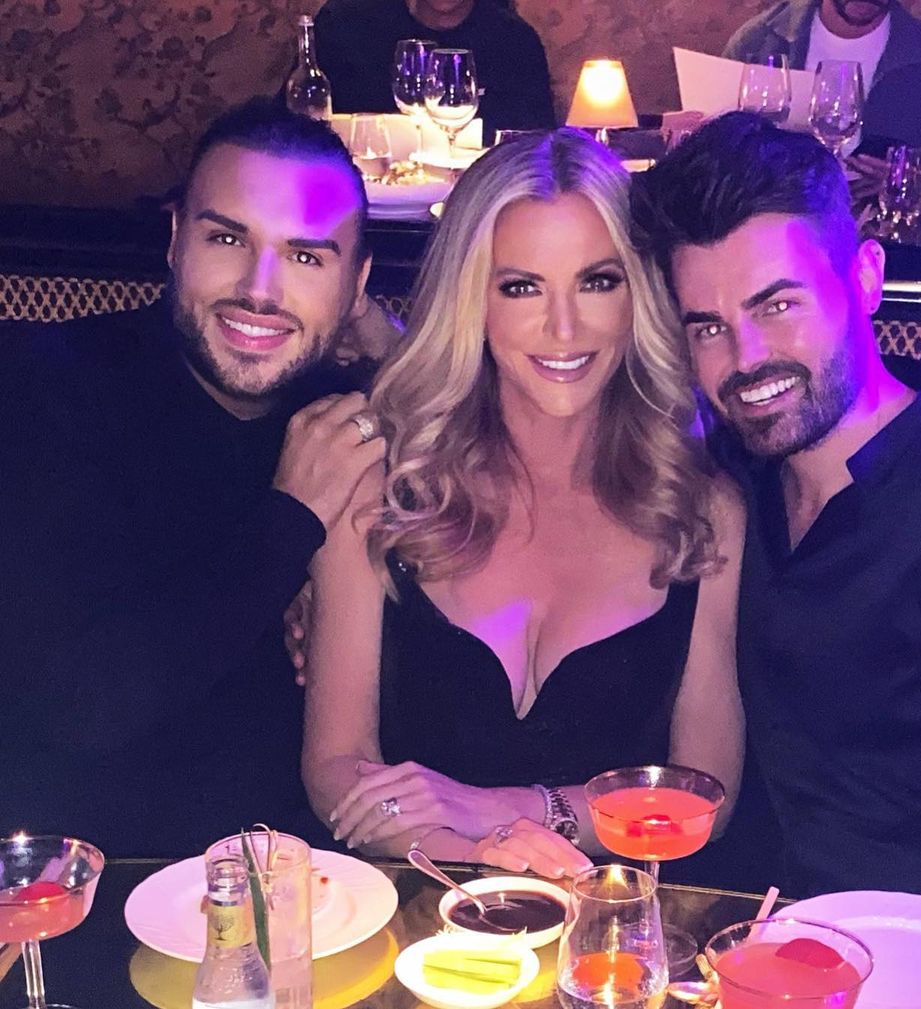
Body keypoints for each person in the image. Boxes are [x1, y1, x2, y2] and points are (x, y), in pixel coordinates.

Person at [630, 111, 921, 947]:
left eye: (778, 304)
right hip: (785, 937)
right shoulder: (741, 472)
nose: (746, 356)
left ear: (865, 277)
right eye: (708, 327)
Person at [301, 128, 745, 877]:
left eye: (597, 282)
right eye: (521, 287)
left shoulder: (701, 509)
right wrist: (474, 861)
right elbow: (336, 763)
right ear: (471, 301)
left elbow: (705, 795)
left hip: (617, 927)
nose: (563, 328)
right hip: (419, 912)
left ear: (639, 296)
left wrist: (512, 811)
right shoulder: (382, 485)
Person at [0, 99, 388, 856]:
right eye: (227, 238)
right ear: (176, 239)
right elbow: (76, 705)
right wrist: (289, 527)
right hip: (84, 884)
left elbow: (491, 425)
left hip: (306, 885)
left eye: (306, 257)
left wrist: (387, 340)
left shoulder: (337, 413)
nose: (260, 289)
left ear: (355, 284)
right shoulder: (47, 390)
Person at [723, 0, 921, 243]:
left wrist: (902, 185)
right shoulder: (759, 41)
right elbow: (720, 161)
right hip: (770, 239)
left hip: (879, 247)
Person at [314, 0, 556, 145]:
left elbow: (535, 153)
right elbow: (306, 129)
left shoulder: (515, 42)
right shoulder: (345, 25)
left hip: (477, 203)